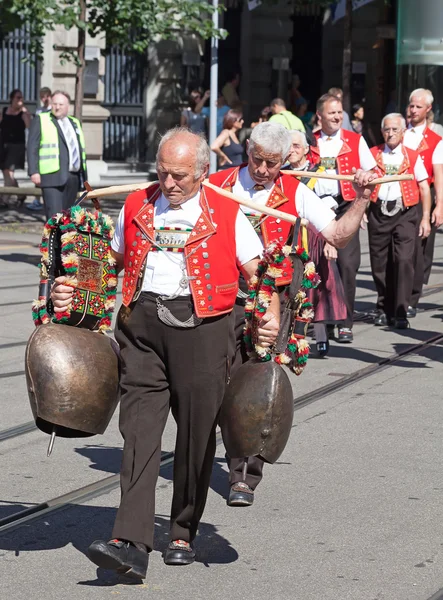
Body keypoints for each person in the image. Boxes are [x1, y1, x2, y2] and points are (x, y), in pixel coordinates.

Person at [51, 127, 279, 577]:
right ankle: (131, 541)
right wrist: (72, 285)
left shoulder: (229, 212)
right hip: (141, 331)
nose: (169, 184)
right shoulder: (137, 204)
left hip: (204, 331)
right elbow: (107, 265)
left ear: (201, 173)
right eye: (163, 173)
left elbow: (258, 275)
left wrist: (268, 313)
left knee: (196, 435)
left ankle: (182, 528)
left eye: (179, 176)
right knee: (138, 433)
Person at [209, 120, 377, 505]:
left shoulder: (296, 192)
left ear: (285, 160)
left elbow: (335, 234)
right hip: (220, 299)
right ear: (247, 152)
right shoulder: (219, 183)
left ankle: (244, 475)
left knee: (257, 381)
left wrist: (362, 198)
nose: (263, 170)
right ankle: (219, 445)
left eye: (272, 163)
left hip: (271, 301)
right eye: (257, 160)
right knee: (217, 382)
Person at [309, 93, 377, 343]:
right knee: (320, 268)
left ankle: (345, 322)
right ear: (320, 115)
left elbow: (373, 172)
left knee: (348, 266)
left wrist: (363, 206)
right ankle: (323, 320)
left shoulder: (355, 140)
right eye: (332, 112)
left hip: (345, 208)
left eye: (340, 112)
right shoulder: (310, 141)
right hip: (316, 208)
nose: (337, 117)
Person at [284, 129, 347, 357]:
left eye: (296, 146)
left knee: (317, 286)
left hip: (315, 237)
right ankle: (292, 336)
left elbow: (330, 210)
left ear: (307, 150)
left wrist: (330, 241)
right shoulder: (282, 175)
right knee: (292, 288)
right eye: (288, 146)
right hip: (291, 238)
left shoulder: (320, 174)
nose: (291, 151)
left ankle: (320, 335)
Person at [368, 113, 431, 329]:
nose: (391, 133)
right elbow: (362, 186)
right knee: (379, 263)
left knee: (404, 259)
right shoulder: (372, 154)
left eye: (395, 129)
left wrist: (425, 218)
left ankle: (401, 310)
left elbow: (424, 187)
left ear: (403, 132)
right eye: (387, 129)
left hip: (405, 213)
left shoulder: (413, 156)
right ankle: (383, 306)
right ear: (382, 131)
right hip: (379, 212)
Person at [403, 88, 443, 315]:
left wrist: (440, 205)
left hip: (422, 198)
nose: (413, 110)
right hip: (399, 196)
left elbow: (439, 175)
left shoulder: (436, 140)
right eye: (411, 105)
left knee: (420, 250)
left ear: (428, 110)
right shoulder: (399, 132)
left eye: (418, 107)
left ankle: (412, 297)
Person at [27, 90, 87, 220]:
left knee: (69, 219)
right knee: (54, 219)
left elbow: (79, 150)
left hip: (73, 177)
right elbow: (32, 146)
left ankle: (65, 241)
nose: (57, 107)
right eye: (54, 104)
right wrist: (34, 171)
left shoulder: (74, 122)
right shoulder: (41, 119)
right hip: (51, 176)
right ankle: (51, 241)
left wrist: (84, 177)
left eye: (61, 104)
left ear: (67, 106)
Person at [0, 89, 31, 209]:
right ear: (12, 99)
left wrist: (26, 113)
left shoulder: (23, 114)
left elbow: (29, 127)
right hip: (3, 146)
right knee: (6, 173)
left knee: (9, 173)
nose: (20, 100)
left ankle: (4, 200)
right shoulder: (4, 111)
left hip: (17, 147)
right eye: (18, 97)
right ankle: (21, 194)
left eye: (21, 98)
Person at [28, 87, 53, 211]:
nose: (44, 99)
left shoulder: (53, 109)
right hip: (41, 148)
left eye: (46, 96)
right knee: (37, 176)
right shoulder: (39, 111)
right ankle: (37, 200)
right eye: (42, 96)